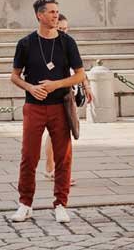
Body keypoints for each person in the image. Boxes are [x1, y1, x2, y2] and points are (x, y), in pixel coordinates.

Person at [9, 0, 85, 224]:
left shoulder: (67, 42)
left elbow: (79, 74)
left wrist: (56, 84)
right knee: (29, 156)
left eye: (56, 12)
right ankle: (25, 204)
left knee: (63, 157)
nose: (55, 16)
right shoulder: (25, 43)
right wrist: (30, 87)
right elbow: (14, 76)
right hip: (34, 107)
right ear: (39, 15)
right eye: (51, 12)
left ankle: (61, 203)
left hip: (60, 106)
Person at [43, 14, 92, 180]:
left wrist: (86, 86)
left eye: (65, 28)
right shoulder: (48, 47)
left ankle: (54, 169)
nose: (63, 31)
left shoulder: (68, 43)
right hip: (55, 95)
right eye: (60, 28)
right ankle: (54, 169)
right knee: (57, 134)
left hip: (67, 95)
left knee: (60, 134)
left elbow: (79, 69)